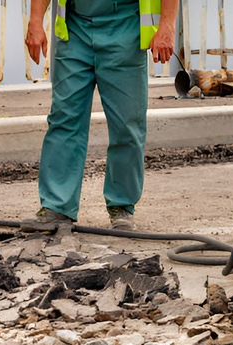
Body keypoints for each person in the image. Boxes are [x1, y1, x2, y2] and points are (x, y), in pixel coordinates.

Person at [21, 0, 179, 232]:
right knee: (64, 118)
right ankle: (57, 207)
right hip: (75, 28)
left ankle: (122, 205)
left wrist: (167, 25)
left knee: (127, 123)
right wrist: (35, 21)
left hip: (125, 26)